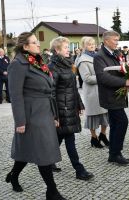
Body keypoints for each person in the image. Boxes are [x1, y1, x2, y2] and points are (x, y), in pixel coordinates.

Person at [6, 32, 66, 200]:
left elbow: (49, 90)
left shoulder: (39, 61)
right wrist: (20, 121)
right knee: (43, 152)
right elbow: (15, 95)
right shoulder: (18, 64)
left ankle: (13, 175)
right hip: (31, 115)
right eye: (34, 42)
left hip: (45, 111)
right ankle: (52, 191)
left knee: (28, 150)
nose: (38, 45)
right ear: (25, 46)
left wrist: (54, 115)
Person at [48, 36, 94, 181]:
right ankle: (79, 169)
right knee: (69, 139)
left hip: (70, 107)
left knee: (59, 137)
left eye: (69, 47)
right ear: (57, 50)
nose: (69, 50)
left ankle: (48, 161)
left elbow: (73, 88)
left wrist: (79, 104)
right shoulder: (52, 67)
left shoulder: (67, 64)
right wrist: (54, 115)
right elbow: (51, 92)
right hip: (62, 109)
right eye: (66, 48)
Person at [93, 30, 129, 165]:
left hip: (118, 94)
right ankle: (116, 153)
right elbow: (103, 77)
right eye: (115, 40)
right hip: (110, 95)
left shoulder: (116, 53)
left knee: (116, 124)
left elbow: (118, 71)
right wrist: (124, 82)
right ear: (106, 41)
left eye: (118, 40)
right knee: (122, 122)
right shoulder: (99, 56)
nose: (117, 43)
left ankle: (113, 154)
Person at [77, 36, 109, 148]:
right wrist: (102, 77)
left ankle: (103, 135)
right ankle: (94, 137)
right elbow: (86, 78)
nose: (92, 46)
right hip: (92, 92)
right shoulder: (82, 60)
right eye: (89, 44)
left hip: (102, 90)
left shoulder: (98, 56)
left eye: (93, 44)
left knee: (105, 115)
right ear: (84, 46)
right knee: (93, 117)